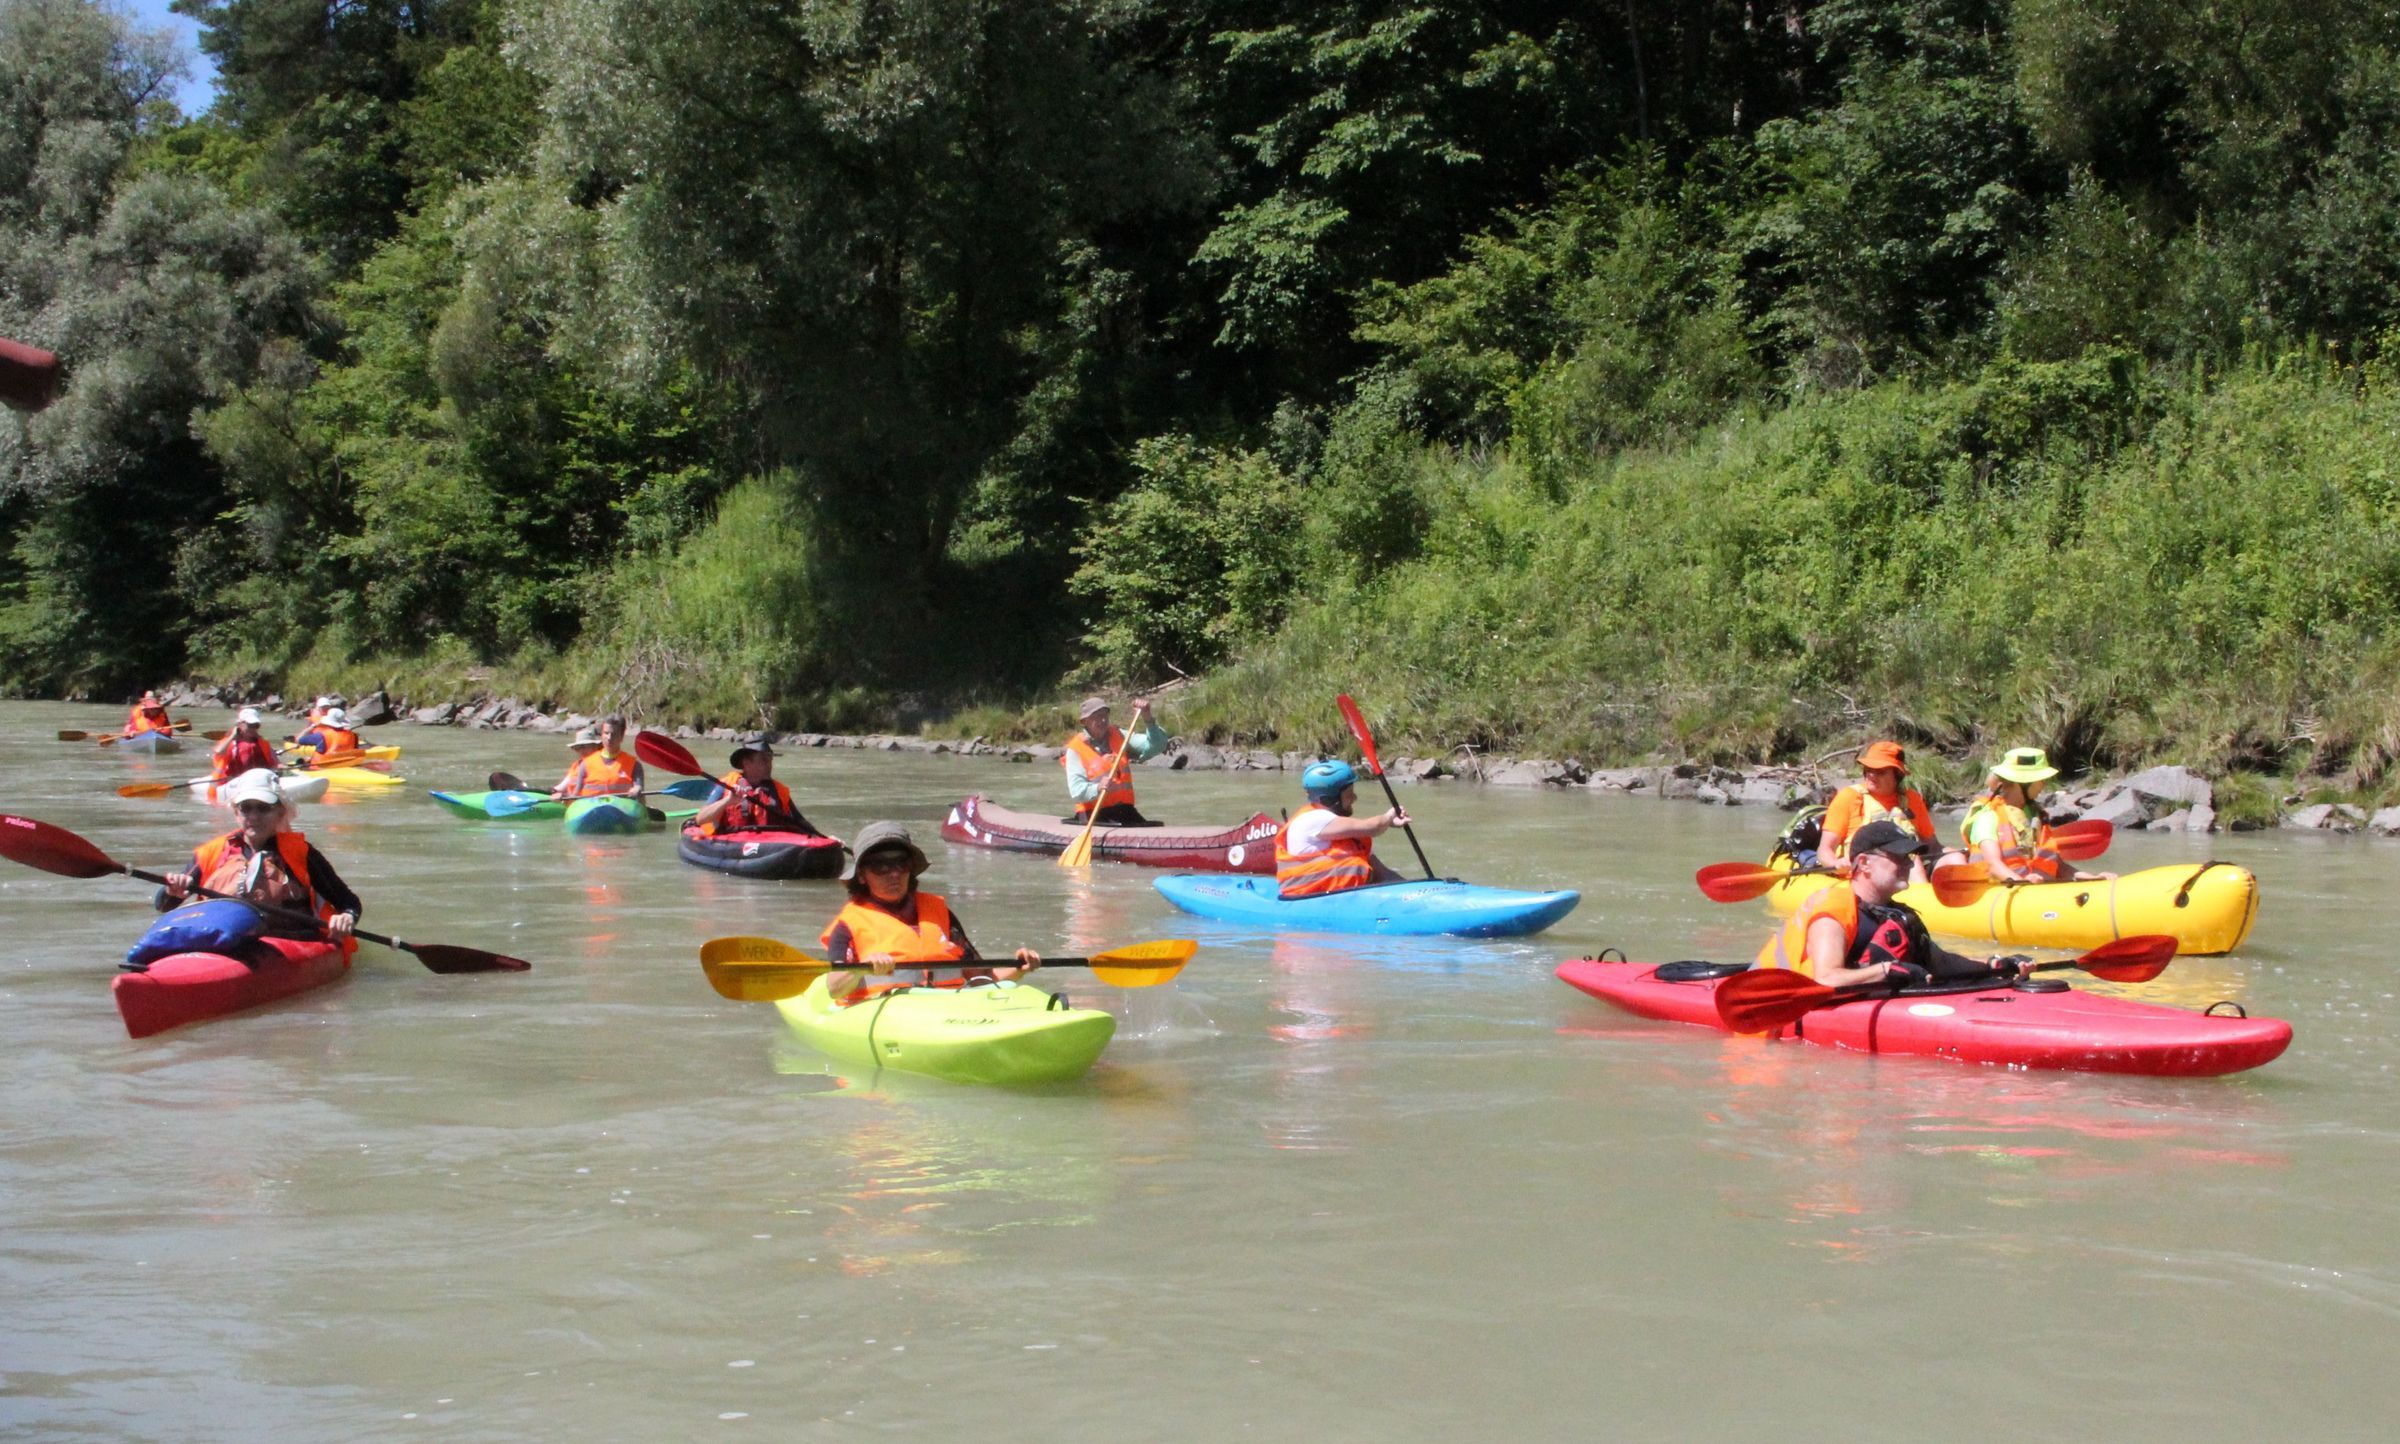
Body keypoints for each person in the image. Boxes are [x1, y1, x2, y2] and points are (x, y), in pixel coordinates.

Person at [1757, 819, 2018, 988]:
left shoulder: (1896, 914)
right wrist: (1884, 970)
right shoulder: (1834, 909)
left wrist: (1994, 964)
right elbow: (1825, 978)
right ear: (1864, 863)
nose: (1909, 863)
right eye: (1898, 856)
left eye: (1909, 856)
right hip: (1786, 1002)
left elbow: (1942, 963)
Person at [819, 823, 1039, 998]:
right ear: (861, 876)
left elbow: (983, 978)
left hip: (946, 1009)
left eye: (900, 864)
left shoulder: (940, 915)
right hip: (887, 1012)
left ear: (910, 869)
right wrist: (861, 968)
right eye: (880, 866)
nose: (893, 874)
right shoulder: (848, 924)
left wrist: (1021, 967)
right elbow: (835, 988)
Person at [158, 769, 360, 947]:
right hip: (221, 944)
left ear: (280, 812)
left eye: (263, 808)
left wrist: (346, 917)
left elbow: (349, 902)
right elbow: (163, 905)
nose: (253, 816)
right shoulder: (211, 853)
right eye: (246, 808)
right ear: (236, 812)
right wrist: (172, 890)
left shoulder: (302, 853)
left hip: (286, 944)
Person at [1946, 746, 2113, 884]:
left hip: (2035, 890)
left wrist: (2086, 877)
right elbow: (1993, 865)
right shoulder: (1988, 817)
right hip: (2001, 891)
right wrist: (2022, 882)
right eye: (2039, 779)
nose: (2043, 784)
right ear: (2022, 784)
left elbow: (2056, 865)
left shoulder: (2036, 816)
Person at [1274, 759, 1412, 899]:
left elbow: (1379, 871)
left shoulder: (1340, 830)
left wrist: (1410, 891)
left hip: (1344, 897)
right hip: (1308, 898)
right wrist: (1388, 817)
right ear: (1329, 799)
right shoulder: (1312, 820)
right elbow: (1372, 827)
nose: (1354, 798)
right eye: (1349, 793)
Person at [1817, 739, 1936, 881]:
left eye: (1880, 771)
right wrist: (1835, 863)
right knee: (1913, 862)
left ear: (1897, 775)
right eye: (1868, 769)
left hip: (1907, 871)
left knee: (1918, 859)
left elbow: (1933, 845)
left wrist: (1956, 857)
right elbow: (1825, 849)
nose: (1871, 775)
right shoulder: (1849, 797)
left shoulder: (1913, 799)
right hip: (1862, 877)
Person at [1061, 695, 1168, 825]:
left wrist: (1148, 718)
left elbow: (1157, 745)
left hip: (1124, 811)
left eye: (1104, 715)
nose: (1102, 720)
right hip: (1093, 814)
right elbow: (1077, 791)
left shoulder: (1120, 735)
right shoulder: (1075, 750)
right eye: (1095, 716)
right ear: (1084, 722)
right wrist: (1098, 788)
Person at [690, 734, 822, 837]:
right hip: (733, 842)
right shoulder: (727, 785)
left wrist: (825, 839)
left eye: (770, 760)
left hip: (771, 844)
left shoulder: (779, 790)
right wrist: (727, 801)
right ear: (746, 763)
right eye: (763, 760)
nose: (769, 765)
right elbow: (700, 819)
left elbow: (800, 822)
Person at [551, 715, 644, 800]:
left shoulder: (634, 765)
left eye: (614, 734)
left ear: (622, 737)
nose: (609, 738)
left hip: (622, 809)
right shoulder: (585, 764)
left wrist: (637, 788)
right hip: (591, 808)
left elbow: (639, 789)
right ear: (602, 735)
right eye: (606, 733)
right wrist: (563, 797)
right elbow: (575, 796)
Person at [210, 707, 279, 783]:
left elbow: (277, 763)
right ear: (240, 724)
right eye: (250, 725)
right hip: (234, 782)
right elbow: (218, 752)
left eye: (256, 726)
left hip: (260, 780)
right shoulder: (230, 742)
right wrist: (232, 736)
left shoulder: (262, 742)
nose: (253, 729)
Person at [292, 705, 361, 757]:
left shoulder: (320, 736)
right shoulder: (354, 736)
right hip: (346, 763)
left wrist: (313, 726)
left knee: (302, 760)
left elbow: (298, 740)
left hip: (322, 767)